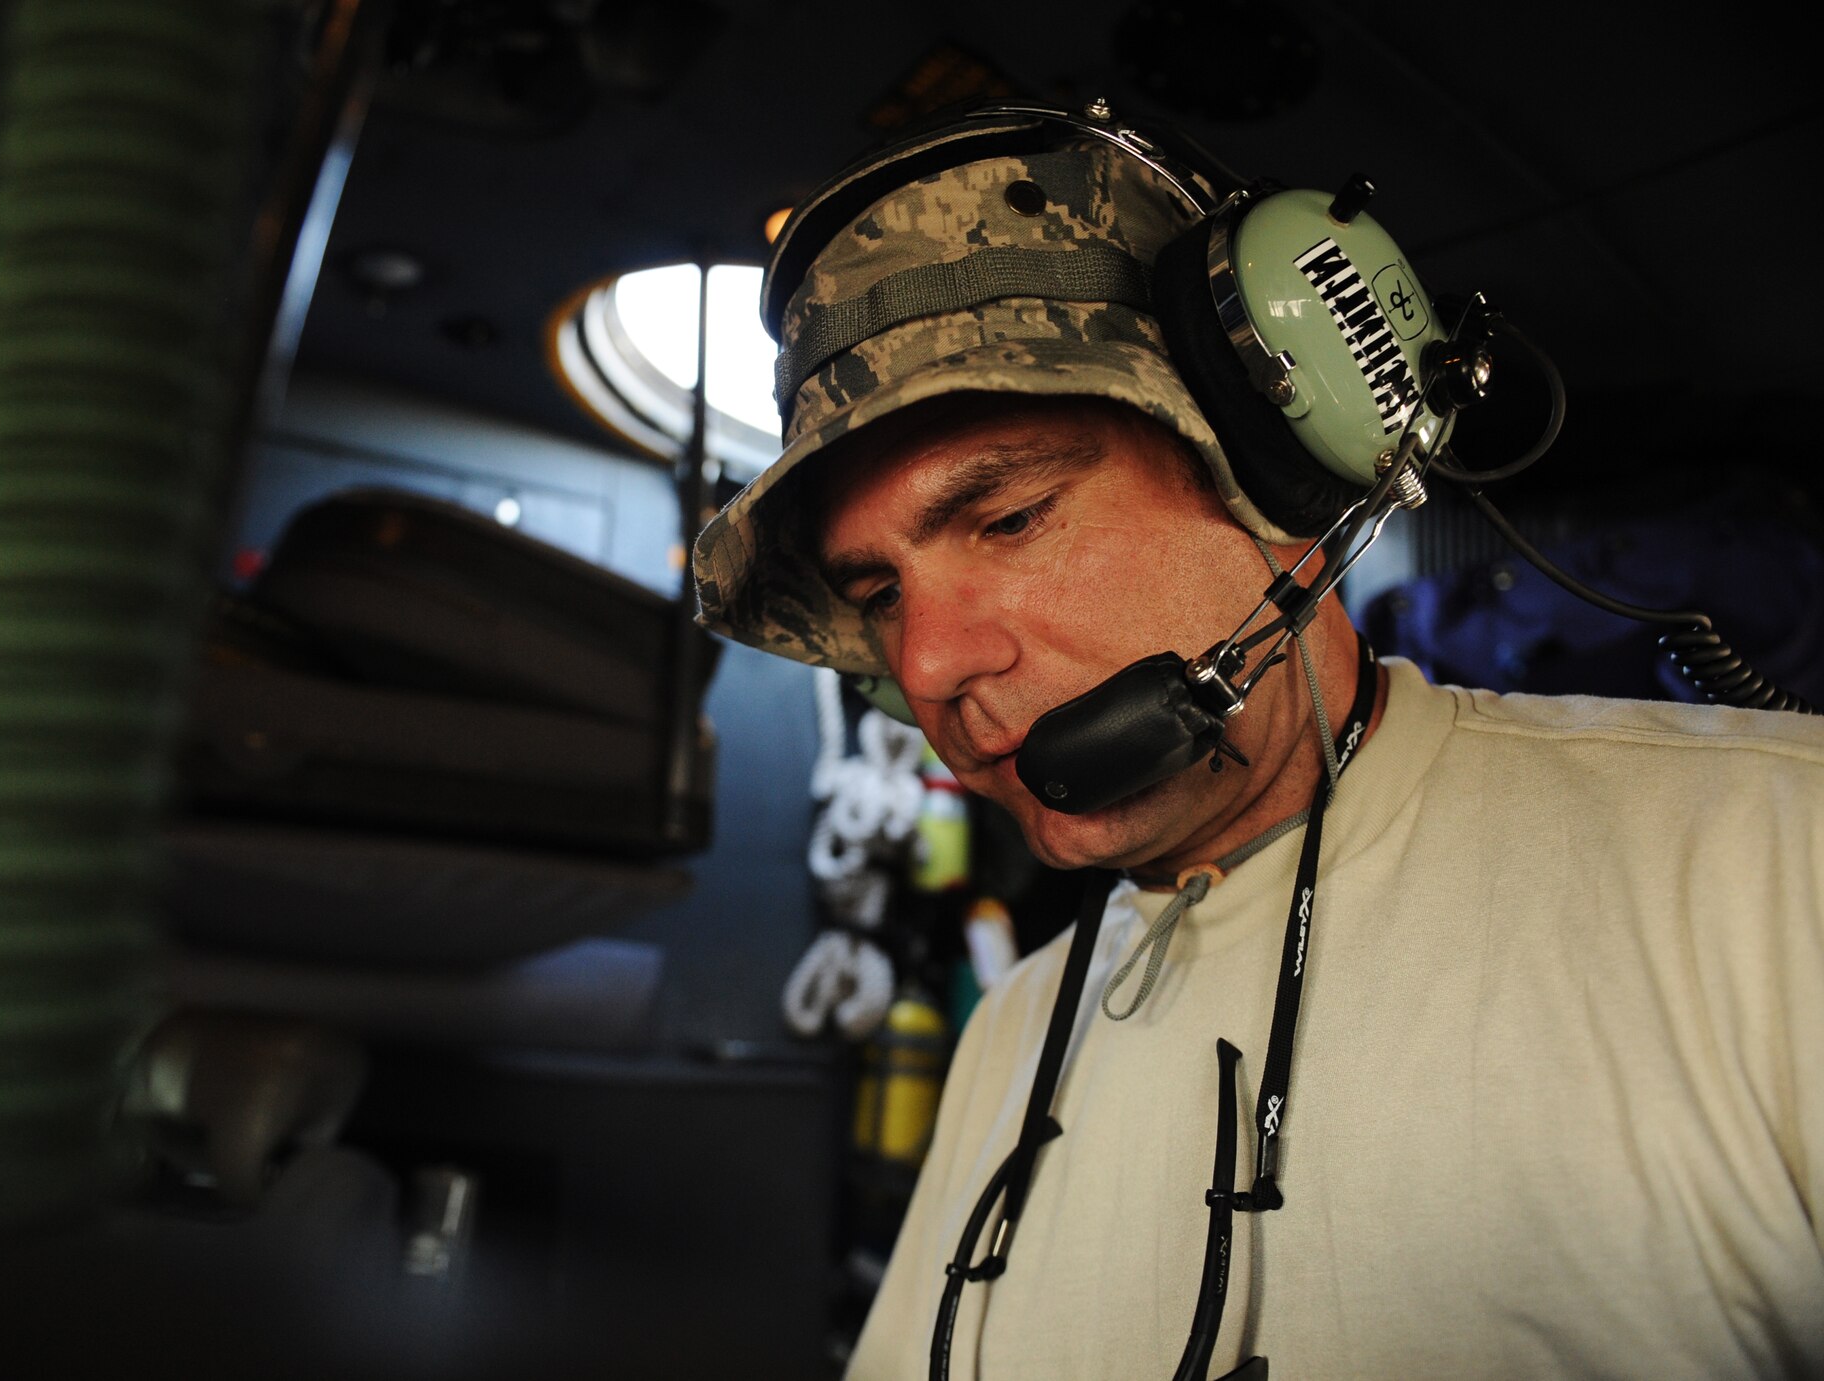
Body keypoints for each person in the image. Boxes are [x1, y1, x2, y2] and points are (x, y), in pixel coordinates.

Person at [691, 101, 1824, 1379]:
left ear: (1282, 474)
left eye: (1006, 518)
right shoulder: (1007, 1036)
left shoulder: (1770, 868)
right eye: (879, 593)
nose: (930, 661)